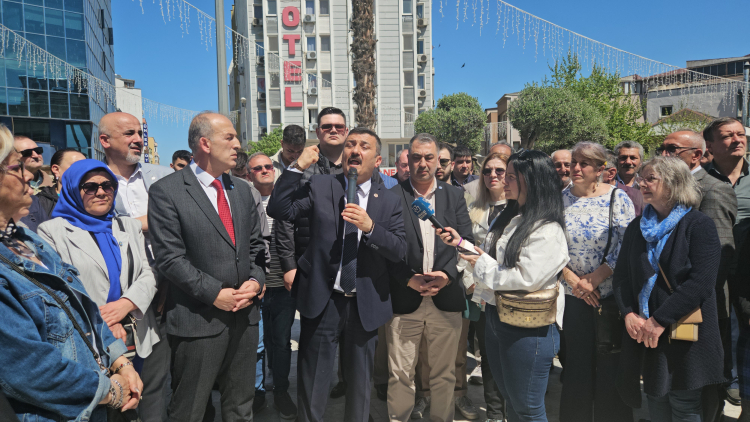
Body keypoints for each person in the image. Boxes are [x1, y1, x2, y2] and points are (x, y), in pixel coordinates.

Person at [0, 125, 144, 421]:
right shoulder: (48, 233)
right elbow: (29, 369)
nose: (29, 175)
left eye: (107, 185)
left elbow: (81, 310)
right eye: (17, 167)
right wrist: (109, 391)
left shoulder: (28, 241)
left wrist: (120, 360)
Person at [267, 127, 407, 422]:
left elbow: (399, 250)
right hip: (324, 299)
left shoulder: (391, 199)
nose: (355, 150)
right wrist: (297, 167)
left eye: (364, 146)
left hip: (365, 302)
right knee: (313, 384)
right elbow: (279, 209)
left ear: (378, 160)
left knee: (359, 385)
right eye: (350, 144)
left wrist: (371, 228)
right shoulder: (322, 185)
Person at [148, 111, 267, 422]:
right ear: (205, 143)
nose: (238, 144)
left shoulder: (242, 190)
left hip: (245, 318)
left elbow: (257, 247)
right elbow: (170, 258)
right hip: (198, 322)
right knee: (190, 410)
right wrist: (215, 294)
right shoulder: (167, 191)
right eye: (229, 137)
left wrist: (256, 281)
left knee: (241, 407)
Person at [439, 149, 568, 422]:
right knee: (512, 399)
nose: (502, 181)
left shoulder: (547, 229)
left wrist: (479, 265)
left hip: (529, 329)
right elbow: (492, 258)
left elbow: (524, 279)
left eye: (510, 176)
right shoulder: (508, 216)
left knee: (528, 408)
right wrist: (461, 244)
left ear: (532, 180)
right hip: (497, 317)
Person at [613, 156, 726, 422]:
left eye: (651, 178)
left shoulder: (699, 225)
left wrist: (659, 320)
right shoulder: (637, 227)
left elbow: (701, 283)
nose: (642, 183)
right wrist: (629, 313)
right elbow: (622, 277)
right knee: (656, 399)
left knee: (684, 404)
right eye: (641, 178)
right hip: (646, 331)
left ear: (675, 183)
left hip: (683, 330)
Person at [38, 159, 160, 375]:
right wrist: (106, 323)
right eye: (90, 187)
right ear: (73, 190)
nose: (101, 192)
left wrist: (126, 304)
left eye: (107, 185)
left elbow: (149, 271)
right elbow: (58, 289)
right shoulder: (51, 232)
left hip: (138, 335)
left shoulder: (128, 226)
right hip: (89, 339)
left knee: (147, 394)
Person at [386, 133, 473, 422]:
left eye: (429, 157)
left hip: (445, 298)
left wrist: (447, 275)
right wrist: (407, 278)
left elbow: (467, 242)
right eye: (416, 157)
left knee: (444, 374)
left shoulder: (454, 196)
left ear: (438, 161)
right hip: (404, 299)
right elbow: (384, 248)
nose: (422, 163)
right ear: (407, 160)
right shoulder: (391, 196)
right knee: (400, 374)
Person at [659, 129, 739, 420]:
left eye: (672, 149)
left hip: (702, 305)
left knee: (701, 383)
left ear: (696, 155)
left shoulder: (713, 189)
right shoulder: (664, 188)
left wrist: (689, 299)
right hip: (669, 304)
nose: (664, 154)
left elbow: (718, 259)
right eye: (662, 148)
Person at [99, 111, 173, 422]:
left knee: (158, 381)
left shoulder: (165, 176)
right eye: (129, 133)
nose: (138, 140)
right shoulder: (94, 182)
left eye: (140, 133)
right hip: (114, 301)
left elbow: (179, 223)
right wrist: (152, 220)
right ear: (105, 140)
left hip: (166, 291)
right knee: (121, 387)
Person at [558, 142, 635, 422]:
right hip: (573, 296)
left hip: (608, 298)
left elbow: (628, 243)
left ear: (601, 169)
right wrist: (573, 279)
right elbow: (549, 243)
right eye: (574, 162)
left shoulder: (617, 198)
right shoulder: (559, 199)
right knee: (576, 366)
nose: (575, 168)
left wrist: (596, 278)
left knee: (610, 368)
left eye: (584, 163)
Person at [703, 117, 749, 417]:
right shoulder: (697, 181)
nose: (737, 140)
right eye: (728, 136)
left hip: (747, 275)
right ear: (710, 145)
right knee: (715, 336)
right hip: (712, 275)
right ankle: (715, 400)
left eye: (740, 134)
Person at [247, 152, 298, 420]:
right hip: (255, 287)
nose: (265, 170)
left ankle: (281, 390)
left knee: (281, 342)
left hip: (283, 287)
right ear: (249, 174)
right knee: (256, 345)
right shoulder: (244, 200)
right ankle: (257, 393)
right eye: (258, 168)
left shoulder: (288, 199)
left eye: (269, 166)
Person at [462, 151, 510, 422]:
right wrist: (470, 283)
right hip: (480, 292)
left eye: (499, 170)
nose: (493, 175)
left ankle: (513, 411)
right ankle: (494, 413)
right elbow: (463, 247)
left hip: (513, 293)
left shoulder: (522, 208)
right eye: (487, 170)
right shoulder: (473, 206)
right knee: (489, 355)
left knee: (511, 356)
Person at [36, 148, 86, 216]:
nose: (83, 170)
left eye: (85, 166)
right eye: (76, 166)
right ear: (56, 170)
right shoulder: (38, 203)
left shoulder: (94, 198)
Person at [603, 152, 643, 217]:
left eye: (598, 170)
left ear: (611, 173)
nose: (628, 162)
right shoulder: (586, 195)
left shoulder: (637, 197)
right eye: (623, 158)